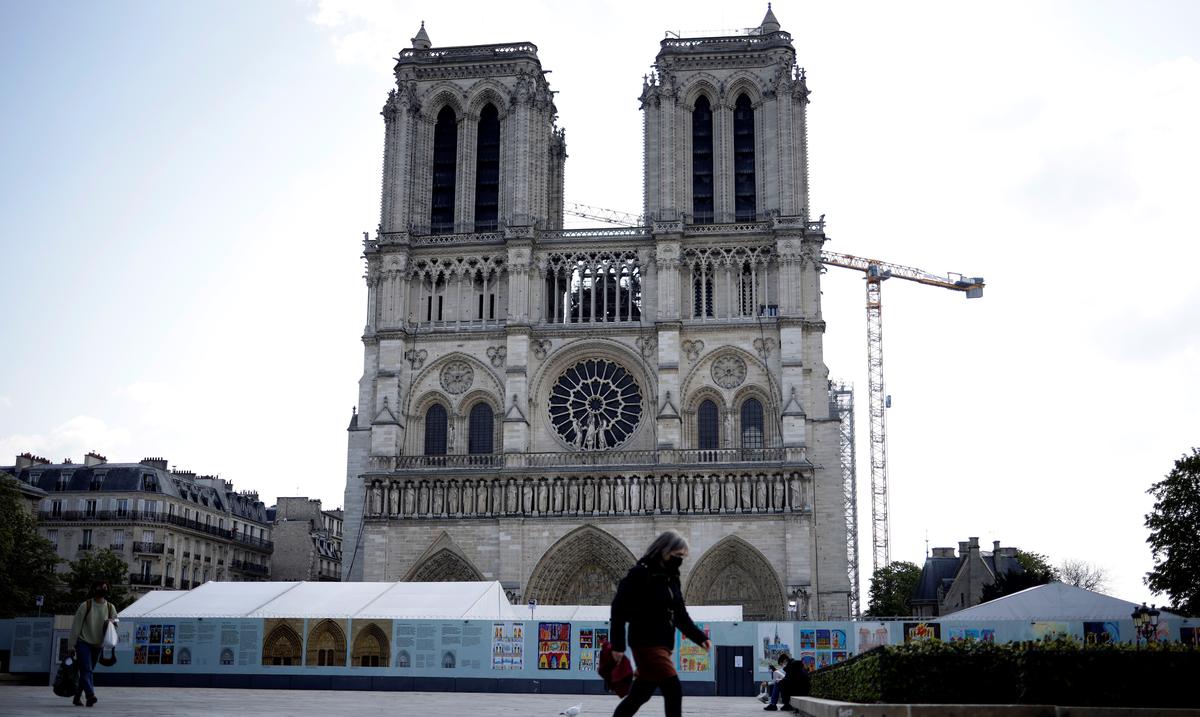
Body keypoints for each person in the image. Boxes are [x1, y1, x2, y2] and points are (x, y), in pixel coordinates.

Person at [609, 530, 710, 717]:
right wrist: (617, 644)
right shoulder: (640, 573)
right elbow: (618, 608)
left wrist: (700, 637)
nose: (680, 560)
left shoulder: (672, 579)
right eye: (677, 555)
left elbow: (680, 614)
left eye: (683, 556)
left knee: (640, 694)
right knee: (673, 689)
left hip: (663, 644)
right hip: (645, 642)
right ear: (665, 550)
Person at [68, 580, 119, 707]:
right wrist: (71, 645)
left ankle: (77, 697)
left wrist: (112, 621)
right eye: (102, 587)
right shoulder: (86, 605)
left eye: (106, 587)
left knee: (88, 671)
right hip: (83, 642)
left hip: (98, 644)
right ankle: (90, 695)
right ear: (94, 589)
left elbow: (117, 623)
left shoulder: (110, 607)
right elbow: (76, 627)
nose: (104, 589)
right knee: (86, 670)